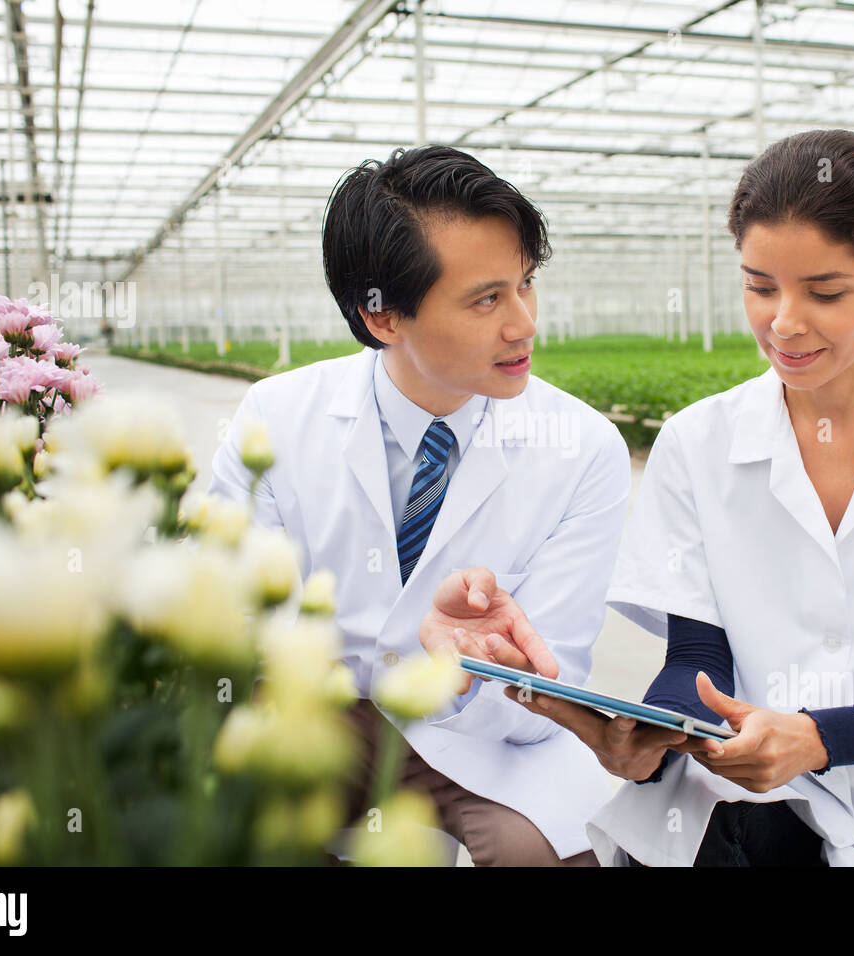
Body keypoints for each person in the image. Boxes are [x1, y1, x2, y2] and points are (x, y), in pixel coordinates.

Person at [426, 129, 854, 866]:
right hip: (737, 819)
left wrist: (818, 739)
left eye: (825, 292)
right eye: (760, 286)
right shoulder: (699, 443)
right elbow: (698, 658)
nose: (784, 322)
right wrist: (655, 735)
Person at [209, 145, 630, 866]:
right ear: (383, 319)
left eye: (525, 285)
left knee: (543, 854)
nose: (524, 323)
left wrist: (480, 667)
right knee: (234, 825)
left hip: (482, 731)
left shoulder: (584, 446)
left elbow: (553, 684)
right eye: (486, 299)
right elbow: (226, 616)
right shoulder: (275, 418)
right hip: (324, 713)